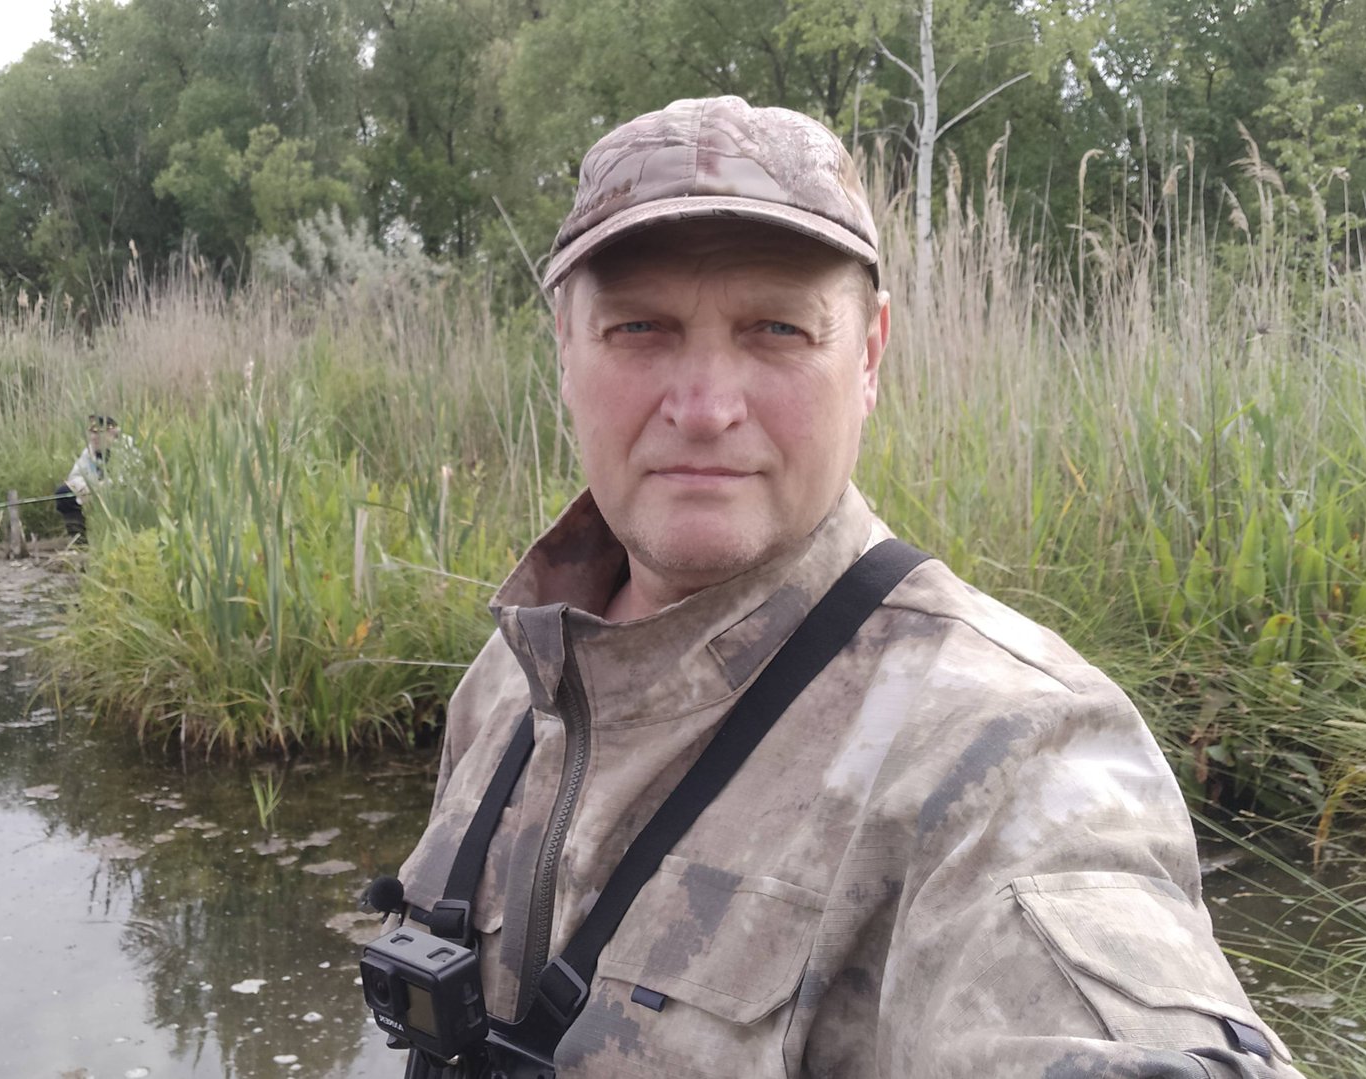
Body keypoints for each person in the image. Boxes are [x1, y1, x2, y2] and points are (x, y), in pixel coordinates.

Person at [389, 96, 1305, 1077]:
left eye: (778, 329)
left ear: (868, 355)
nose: (705, 407)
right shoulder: (510, 678)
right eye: (640, 326)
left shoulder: (1003, 748)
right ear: (565, 351)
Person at [54, 414, 117, 544]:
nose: (93, 437)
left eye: (98, 433)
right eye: (92, 433)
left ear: (110, 433)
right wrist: (84, 487)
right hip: (91, 492)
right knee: (63, 493)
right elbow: (75, 476)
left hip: (115, 494)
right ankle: (79, 540)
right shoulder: (88, 452)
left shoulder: (125, 448)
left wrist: (104, 486)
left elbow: (127, 480)